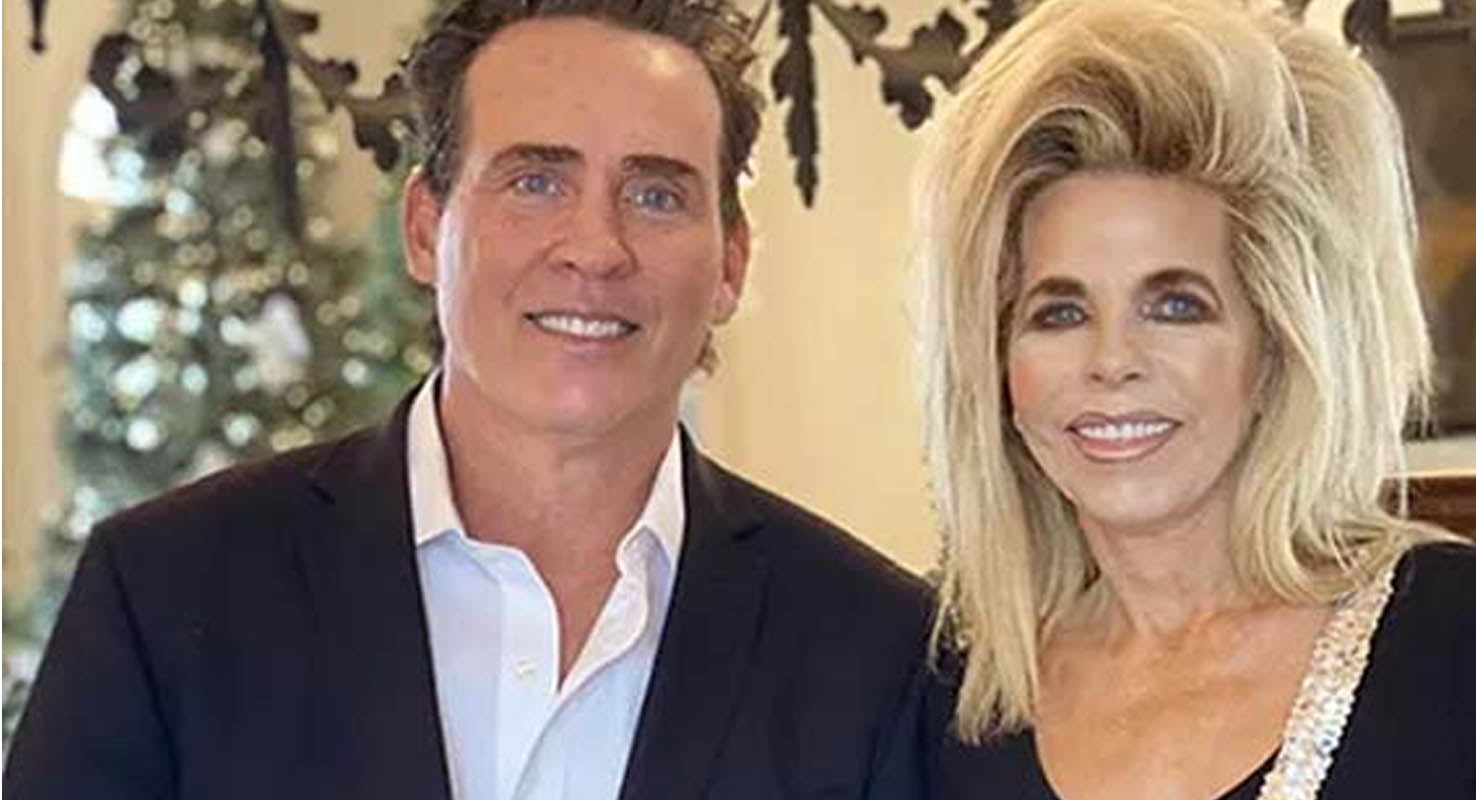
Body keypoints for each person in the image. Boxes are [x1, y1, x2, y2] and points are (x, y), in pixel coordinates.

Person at [4, 0, 936, 797]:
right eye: (536, 182)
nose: (595, 248)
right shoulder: (166, 592)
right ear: (425, 228)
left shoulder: (876, 652)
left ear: (730, 262)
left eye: (655, 195)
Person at [909, 0, 1476, 796]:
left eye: (1176, 306)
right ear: (999, 367)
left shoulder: (1454, 636)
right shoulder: (964, 698)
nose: (1112, 361)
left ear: (1274, 344)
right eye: (1059, 313)